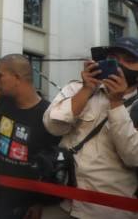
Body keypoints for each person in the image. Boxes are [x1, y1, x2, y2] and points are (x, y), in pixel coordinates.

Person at [43, 37, 138, 219]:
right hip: (63, 201)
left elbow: (133, 156)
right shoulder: (77, 88)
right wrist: (87, 89)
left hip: (106, 210)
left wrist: (116, 103)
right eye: (114, 58)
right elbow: (52, 126)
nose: (120, 65)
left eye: (130, 60)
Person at [0, 54, 60, 219]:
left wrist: (39, 202)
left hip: (22, 204)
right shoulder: (4, 102)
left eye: (1, 75)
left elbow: (51, 166)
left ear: (17, 78)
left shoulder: (47, 115)